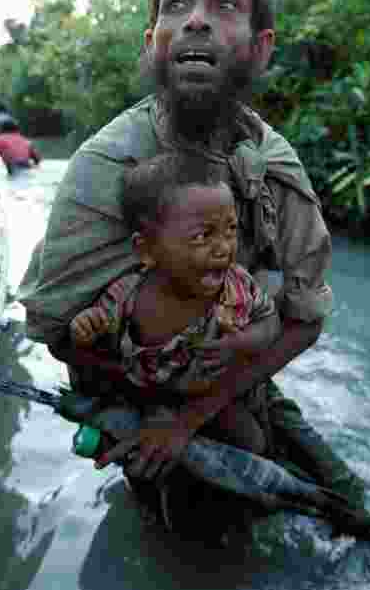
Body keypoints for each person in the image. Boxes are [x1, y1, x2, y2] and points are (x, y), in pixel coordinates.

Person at [19, 0, 370, 537]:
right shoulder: (105, 169)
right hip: (133, 395)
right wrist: (155, 412)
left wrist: (200, 408)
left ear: (261, 50)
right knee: (195, 527)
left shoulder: (275, 167)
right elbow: (54, 329)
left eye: (225, 5)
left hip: (235, 373)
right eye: (177, 5)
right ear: (153, 41)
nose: (197, 20)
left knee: (353, 511)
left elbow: (306, 316)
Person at [70, 153, 280, 455]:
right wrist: (85, 328)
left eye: (231, 229)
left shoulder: (237, 286)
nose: (224, 248)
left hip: (214, 396)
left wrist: (242, 342)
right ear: (147, 250)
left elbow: (270, 323)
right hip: (147, 397)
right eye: (202, 236)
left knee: (253, 442)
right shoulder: (125, 299)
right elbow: (93, 344)